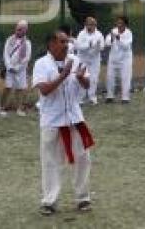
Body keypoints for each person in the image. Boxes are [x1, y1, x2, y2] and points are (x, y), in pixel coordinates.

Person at [33, 30, 94, 216]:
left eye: (67, 41)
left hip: (74, 118)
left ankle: (83, 198)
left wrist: (82, 79)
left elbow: (87, 85)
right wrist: (63, 75)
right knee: (51, 162)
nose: (66, 45)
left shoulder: (75, 60)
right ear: (51, 44)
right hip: (52, 120)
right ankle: (49, 201)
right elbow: (44, 90)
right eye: (61, 41)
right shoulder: (41, 64)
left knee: (83, 158)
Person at [2, 20, 32, 117]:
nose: (17, 31)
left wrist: (18, 68)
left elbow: (27, 58)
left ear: (25, 30)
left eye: (20, 29)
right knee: (7, 87)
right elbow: (5, 54)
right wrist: (9, 66)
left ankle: (19, 108)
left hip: (20, 70)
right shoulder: (9, 39)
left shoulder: (27, 43)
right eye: (17, 29)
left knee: (20, 89)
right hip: (10, 69)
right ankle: (2, 107)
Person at [73, 17, 103, 105]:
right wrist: (88, 45)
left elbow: (102, 46)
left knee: (94, 79)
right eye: (88, 24)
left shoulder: (99, 34)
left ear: (95, 25)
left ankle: (92, 98)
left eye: (92, 25)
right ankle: (80, 98)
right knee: (82, 77)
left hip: (95, 60)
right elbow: (79, 47)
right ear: (85, 25)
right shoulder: (81, 34)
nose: (90, 26)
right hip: (83, 59)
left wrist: (97, 46)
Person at [104, 16, 133, 103]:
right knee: (110, 77)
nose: (119, 25)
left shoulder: (129, 33)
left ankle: (125, 97)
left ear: (125, 24)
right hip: (113, 58)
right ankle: (110, 96)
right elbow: (107, 43)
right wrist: (112, 39)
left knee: (125, 78)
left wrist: (118, 39)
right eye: (118, 23)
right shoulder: (113, 31)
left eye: (121, 23)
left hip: (125, 59)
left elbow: (126, 47)